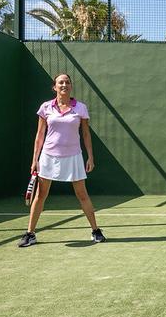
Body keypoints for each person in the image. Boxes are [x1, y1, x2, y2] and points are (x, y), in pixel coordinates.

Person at [20, 73, 105, 247]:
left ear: (71, 86)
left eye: (67, 82)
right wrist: (34, 159)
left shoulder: (80, 108)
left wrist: (90, 156)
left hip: (73, 156)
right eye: (61, 82)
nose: (64, 85)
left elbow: (86, 134)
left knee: (82, 194)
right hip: (48, 156)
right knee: (41, 195)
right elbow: (40, 135)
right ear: (55, 87)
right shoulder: (45, 107)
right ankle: (30, 234)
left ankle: (96, 231)